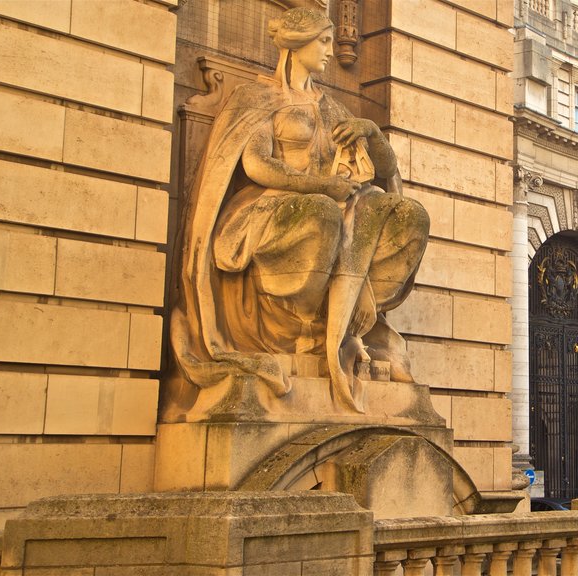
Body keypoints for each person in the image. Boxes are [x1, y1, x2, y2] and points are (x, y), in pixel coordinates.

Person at [170, 7, 429, 414]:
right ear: (297, 44)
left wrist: (373, 134)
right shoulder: (258, 99)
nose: (330, 51)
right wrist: (320, 185)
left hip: (338, 208)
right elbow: (255, 164)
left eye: (330, 41)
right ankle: (318, 327)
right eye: (323, 42)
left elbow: (383, 170)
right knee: (323, 214)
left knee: (410, 217)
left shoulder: (334, 109)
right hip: (272, 209)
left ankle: (348, 316)